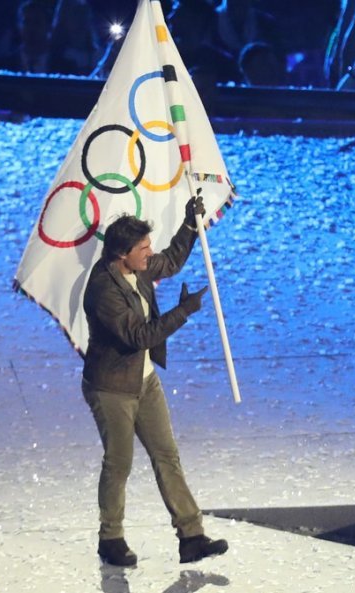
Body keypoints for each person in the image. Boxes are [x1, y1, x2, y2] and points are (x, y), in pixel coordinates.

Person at [81, 194, 228, 567]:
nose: (150, 253)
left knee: (166, 456)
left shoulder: (139, 266)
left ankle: (191, 536)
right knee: (119, 463)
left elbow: (173, 259)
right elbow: (139, 337)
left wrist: (190, 223)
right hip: (112, 387)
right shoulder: (103, 290)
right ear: (121, 254)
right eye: (143, 248)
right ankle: (110, 538)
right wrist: (182, 312)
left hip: (143, 380)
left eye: (149, 246)